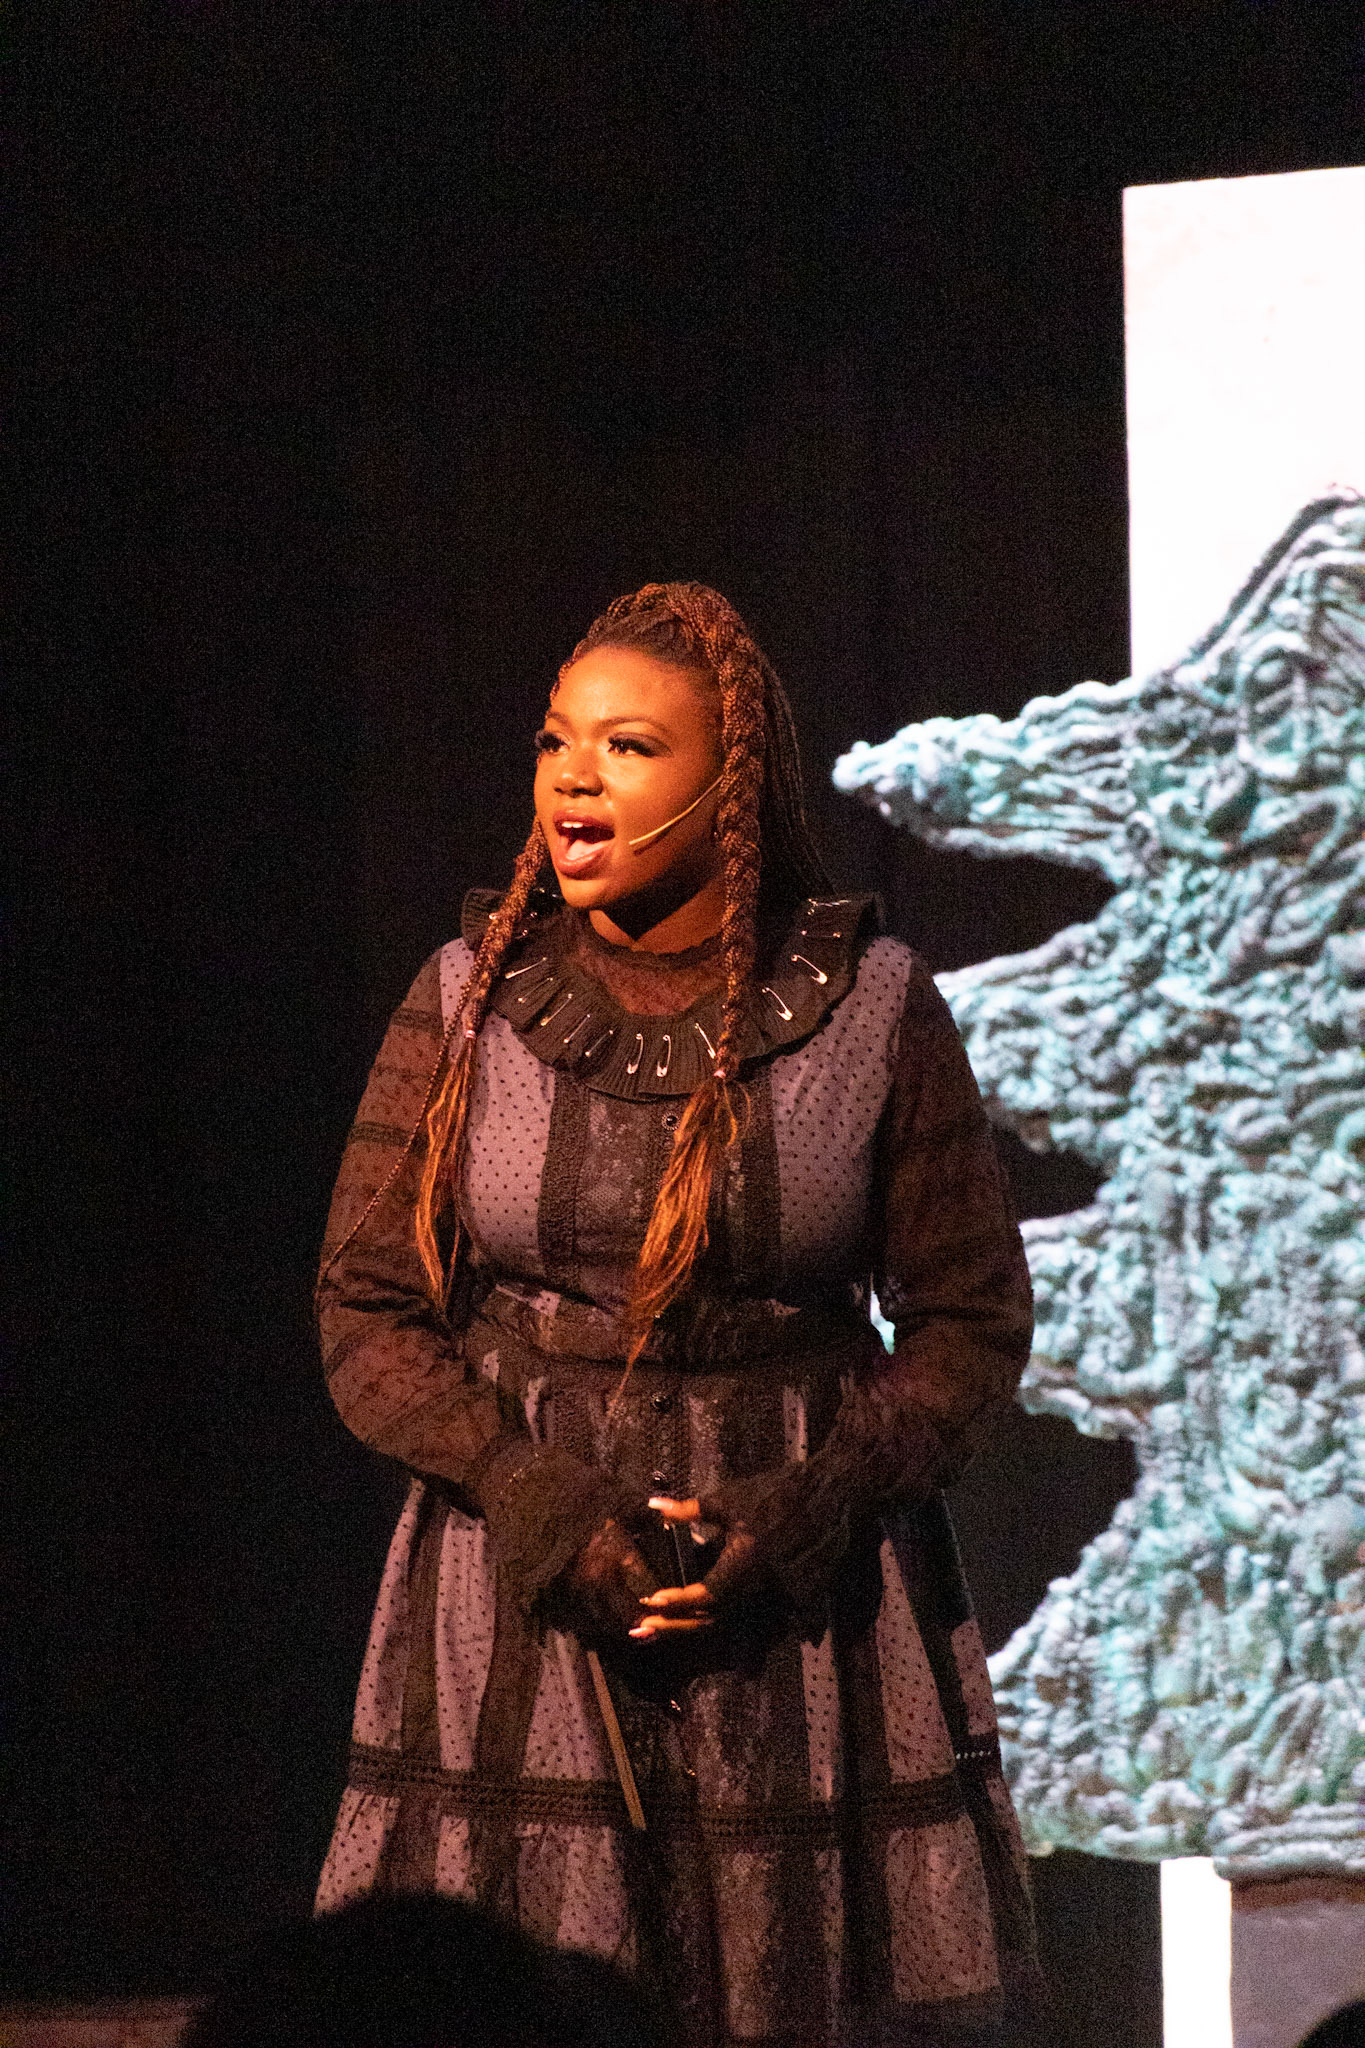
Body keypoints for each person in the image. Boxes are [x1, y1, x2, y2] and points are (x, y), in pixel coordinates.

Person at [314, 582, 1041, 2046]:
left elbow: (969, 1320)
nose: (573, 777)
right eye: (556, 740)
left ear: (730, 783)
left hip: (806, 1610)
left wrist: (812, 1505)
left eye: (629, 746)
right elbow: (367, 1307)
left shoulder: (869, 1006)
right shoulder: (469, 999)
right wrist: (531, 1494)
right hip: (519, 1591)